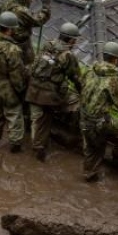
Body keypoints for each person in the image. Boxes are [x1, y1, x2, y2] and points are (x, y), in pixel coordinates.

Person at [80, 41, 118, 182]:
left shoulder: (90, 70)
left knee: (90, 147)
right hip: (99, 122)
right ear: (116, 59)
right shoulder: (112, 79)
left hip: (84, 116)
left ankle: (88, 173)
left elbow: (81, 85)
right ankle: (117, 158)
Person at [26, 22, 84, 162]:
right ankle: (40, 149)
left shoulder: (49, 44)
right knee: (75, 104)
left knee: (38, 119)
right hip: (48, 95)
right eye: (75, 39)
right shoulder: (68, 55)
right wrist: (84, 93)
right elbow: (76, 79)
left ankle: (36, 144)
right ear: (71, 40)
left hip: (33, 88)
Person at [0, 11, 27, 153]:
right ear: (9, 29)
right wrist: (21, 90)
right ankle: (15, 147)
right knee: (14, 118)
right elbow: (17, 76)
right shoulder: (13, 50)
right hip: (8, 91)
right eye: (14, 28)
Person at [3, 0, 51, 66]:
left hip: (5, 41)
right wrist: (46, 8)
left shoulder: (6, 3)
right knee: (26, 68)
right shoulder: (21, 11)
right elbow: (38, 20)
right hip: (21, 46)